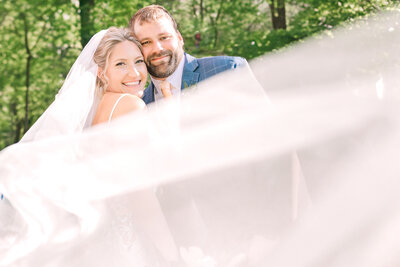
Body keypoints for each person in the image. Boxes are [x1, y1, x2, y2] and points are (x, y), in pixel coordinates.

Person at [128, 4, 248, 104]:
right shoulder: (140, 105)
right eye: (146, 42)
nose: (157, 49)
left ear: (179, 38)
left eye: (164, 37)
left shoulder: (227, 70)